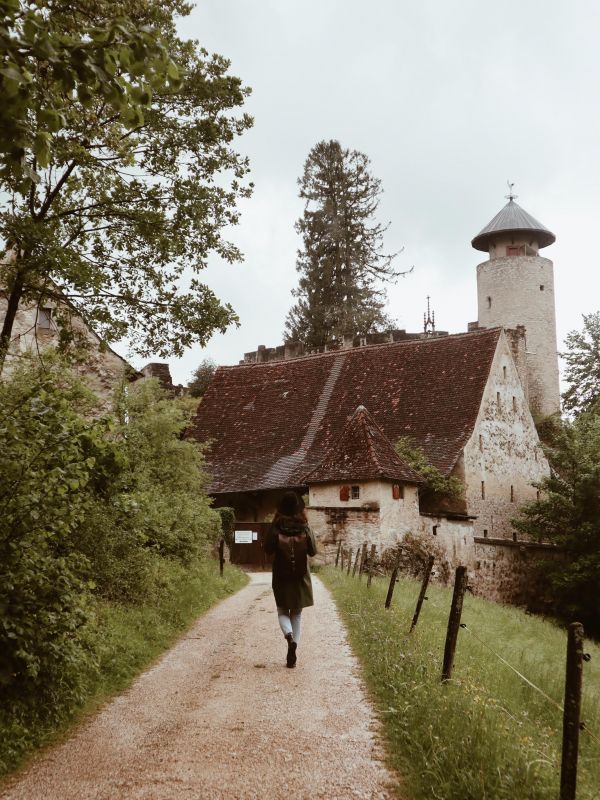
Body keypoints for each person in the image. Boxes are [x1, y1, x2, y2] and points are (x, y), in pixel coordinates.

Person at [264, 491, 317, 668]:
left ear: (281, 508)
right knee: (297, 613)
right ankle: (294, 645)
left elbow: (268, 549)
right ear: (299, 508)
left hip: (281, 575)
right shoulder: (305, 527)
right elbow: (313, 551)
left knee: (282, 610)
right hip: (301, 576)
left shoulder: (276, 527)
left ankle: (289, 636)